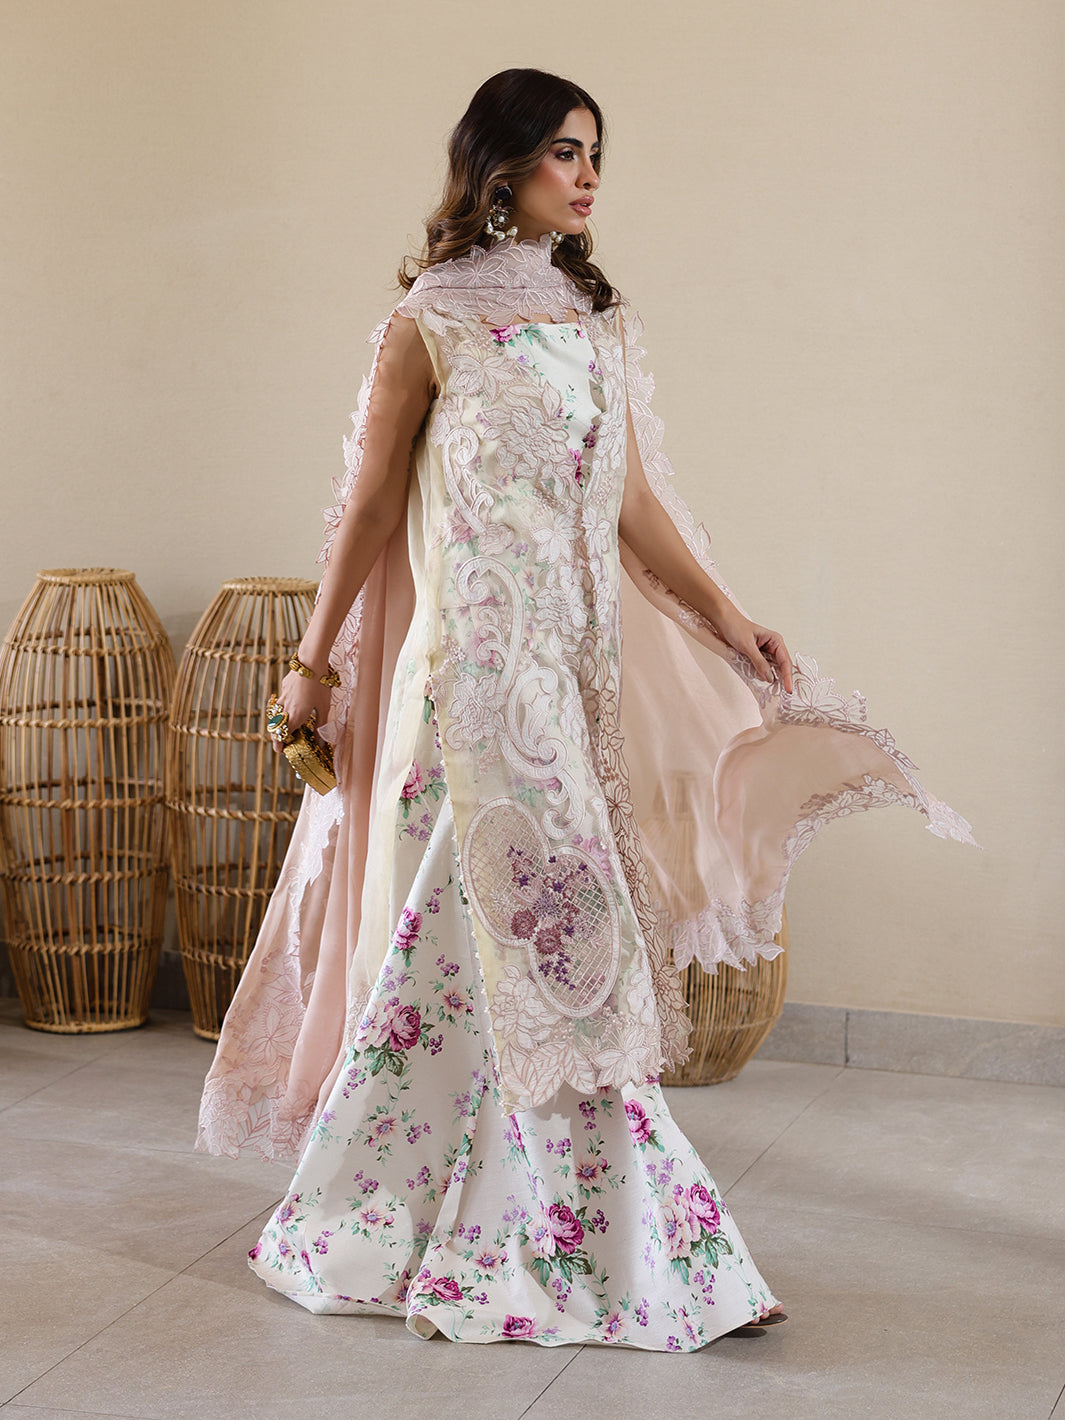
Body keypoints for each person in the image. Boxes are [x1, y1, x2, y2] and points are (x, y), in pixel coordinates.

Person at [196, 68, 972, 1349]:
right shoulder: (429, 323)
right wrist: (313, 663)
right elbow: (372, 507)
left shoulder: (589, 319)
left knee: (536, 948)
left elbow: (631, 505)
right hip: (466, 686)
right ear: (501, 168)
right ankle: (467, 1224)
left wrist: (729, 616)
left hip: (564, 684)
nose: (590, 174)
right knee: (493, 948)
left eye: (596, 151)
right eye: (565, 151)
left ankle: (555, 1228)